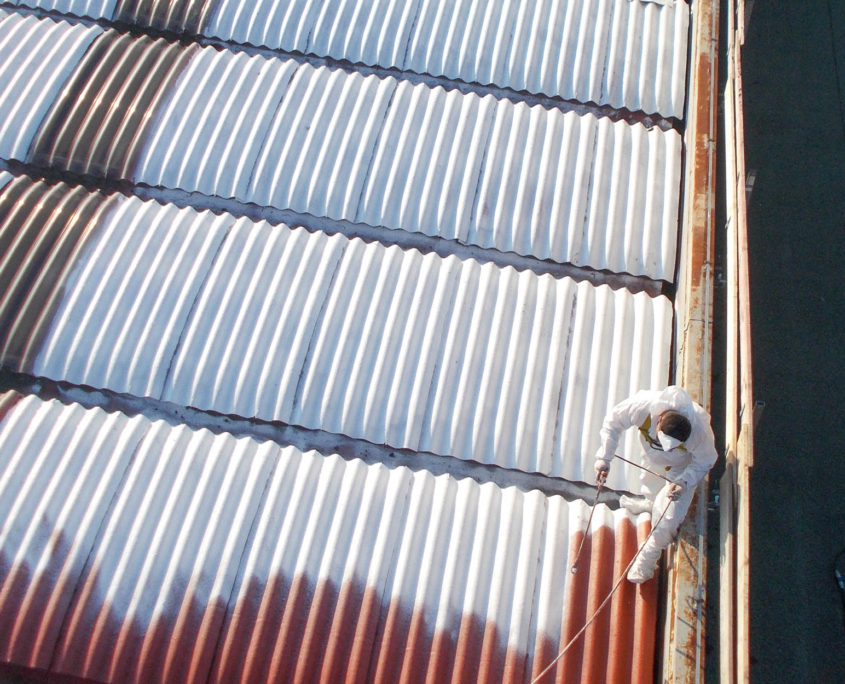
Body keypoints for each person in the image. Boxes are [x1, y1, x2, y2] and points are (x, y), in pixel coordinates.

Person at [594, 385, 718, 583]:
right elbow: (613, 423)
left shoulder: (700, 431)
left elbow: (705, 460)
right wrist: (605, 458)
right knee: (649, 486)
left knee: (669, 516)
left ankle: (648, 557)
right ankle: (651, 503)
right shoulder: (642, 407)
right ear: (659, 419)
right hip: (651, 457)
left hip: (681, 468)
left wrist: (684, 482)